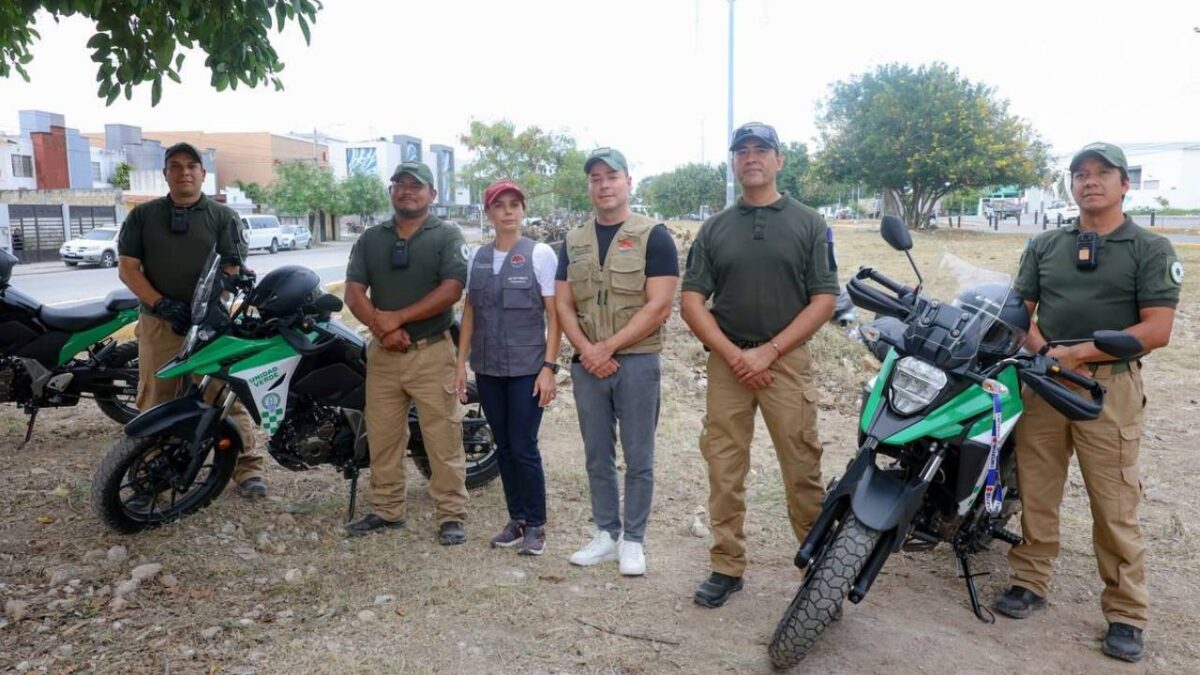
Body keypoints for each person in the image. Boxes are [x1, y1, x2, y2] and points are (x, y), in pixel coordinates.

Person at [994, 142, 1181, 663]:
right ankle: (1029, 582)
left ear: (1125, 184)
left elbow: (1157, 329)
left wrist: (1081, 353)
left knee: (1114, 502)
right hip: (1045, 380)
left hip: (1108, 386)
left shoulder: (1149, 248)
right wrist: (1045, 353)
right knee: (1036, 488)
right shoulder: (1045, 245)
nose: (1089, 182)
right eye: (1080, 174)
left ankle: (1125, 613)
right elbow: (1018, 309)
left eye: (1103, 173)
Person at [680, 122, 838, 608]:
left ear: (779, 160)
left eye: (761, 150)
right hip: (729, 364)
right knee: (724, 468)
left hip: (785, 363)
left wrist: (768, 351)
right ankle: (726, 565)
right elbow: (690, 300)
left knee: (801, 467)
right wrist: (734, 355)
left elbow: (824, 299)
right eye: (742, 151)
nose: (751, 158)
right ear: (733, 162)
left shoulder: (809, 223)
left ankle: (815, 570)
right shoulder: (715, 228)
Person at [116, 142, 266, 499]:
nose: (184, 172)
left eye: (191, 166)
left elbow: (231, 268)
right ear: (166, 173)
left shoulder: (223, 216)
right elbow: (128, 269)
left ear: (202, 173)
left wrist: (210, 308)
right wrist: (161, 303)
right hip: (159, 322)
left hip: (211, 324)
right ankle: (150, 472)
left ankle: (247, 470)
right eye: (176, 166)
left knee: (226, 396)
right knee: (155, 398)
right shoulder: (142, 216)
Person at [556, 147, 678, 576]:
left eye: (612, 176)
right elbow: (564, 304)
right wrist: (588, 350)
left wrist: (608, 348)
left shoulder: (654, 236)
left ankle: (634, 540)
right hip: (588, 364)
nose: (603, 185)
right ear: (589, 186)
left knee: (639, 455)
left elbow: (659, 305)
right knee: (596, 454)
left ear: (629, 182)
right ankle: (606, 533)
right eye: (595, 178)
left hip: (637, 362)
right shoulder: (573, 241)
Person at [343, 161, 470, 545]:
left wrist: (395, 318)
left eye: (417, 185)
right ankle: (387, 510)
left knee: (442, 438)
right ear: (391, 192)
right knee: (382, 437)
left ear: (432, 194)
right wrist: (383, 329)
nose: (408, 190)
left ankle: (450, 515)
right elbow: (353, 292)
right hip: (383, 356)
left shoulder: (446, 235)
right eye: (400, 184)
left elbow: (452, 289)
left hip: (431, 352)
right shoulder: (371, 238)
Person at [454, 179, 561, 556]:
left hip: (528, 368)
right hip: (488, 368)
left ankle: (536, 525)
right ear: (489, 213)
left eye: (515, 204)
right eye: (500, 205)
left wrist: (549, 367)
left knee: (524, 444)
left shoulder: (540, 254)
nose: (509, 211)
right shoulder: (477, 257)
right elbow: (469, 312)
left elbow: (554, 315)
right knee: (503, 446)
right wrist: (459, 365)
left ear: (523, 210)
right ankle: (516, 520)